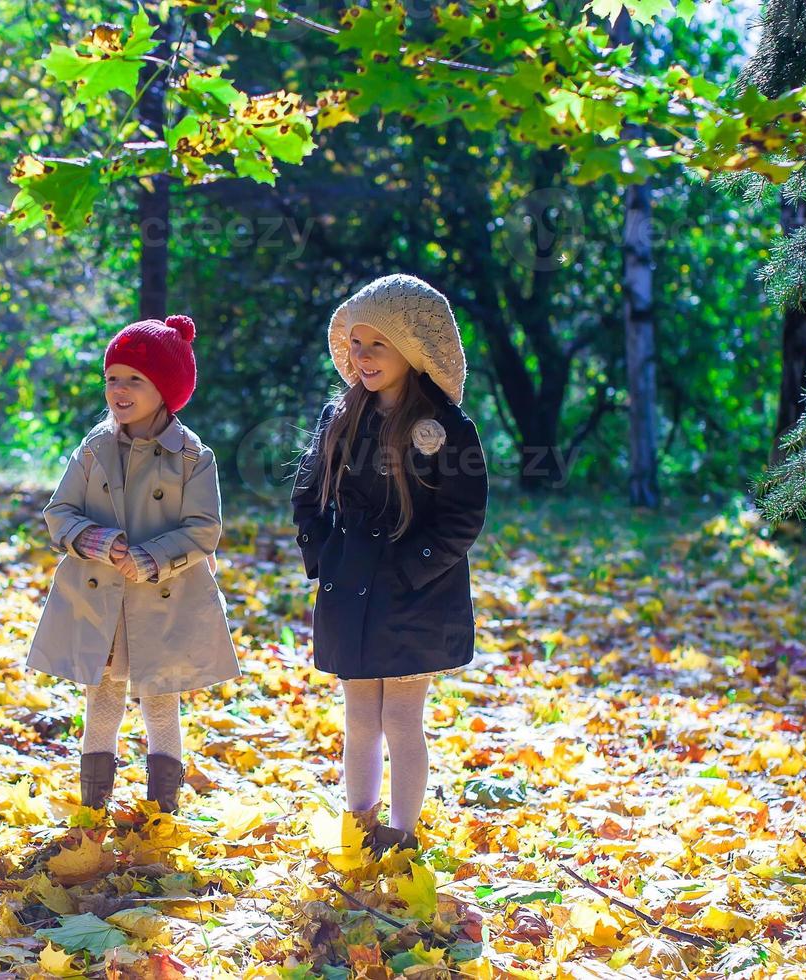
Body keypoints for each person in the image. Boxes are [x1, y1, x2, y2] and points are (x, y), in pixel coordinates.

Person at [291, 274, 490, 853]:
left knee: (401, 716)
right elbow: (308, 490)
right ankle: (360, 825)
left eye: (378, 343)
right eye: (356, 342)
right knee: (357, 715)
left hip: (415, 595)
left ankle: (402, 834)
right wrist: (321, 552)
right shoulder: (341, 416)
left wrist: (410, 570)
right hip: (349, 584)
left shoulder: (445, 427)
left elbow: (462, 514)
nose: (363, 355)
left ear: (413, 349)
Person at [26, 313, 240, 815]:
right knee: (101, 697)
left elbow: (204, 528)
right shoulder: (94, 449)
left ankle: (161, 812)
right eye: (112, 378)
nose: (119, 390)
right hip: (101, 596)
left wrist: (149, 557)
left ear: (166, 388)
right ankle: (93, 807)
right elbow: (59, 513)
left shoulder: (192, 457)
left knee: (160, 701)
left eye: (134, 380)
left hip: (162, 597)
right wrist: (96, 540)